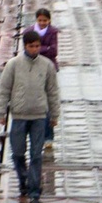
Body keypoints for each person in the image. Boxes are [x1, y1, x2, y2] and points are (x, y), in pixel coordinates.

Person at [0, 30, 60, 203]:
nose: (35, 49)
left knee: (36, 155)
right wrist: (1, 113)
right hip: (19, 115)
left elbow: (53, 92)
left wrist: (54, 115)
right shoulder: (13, 65)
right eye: (31, 46)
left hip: (39, 115)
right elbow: (4, 89)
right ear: (25, 46)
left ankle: (34, 192)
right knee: (17, 153)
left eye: (37, 46)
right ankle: (23, 179)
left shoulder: (47, 66)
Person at [24, 8, 59, 152]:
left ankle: (48, 136)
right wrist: (46, 48)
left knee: (48, 104)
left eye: (45, 20)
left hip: (48, 70)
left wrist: (39, 50)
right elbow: (26, 51)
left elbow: (54, 51)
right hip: (31, 70)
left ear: (49, 20)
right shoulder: (28, 31)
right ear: (36, 20)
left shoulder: (53, 32)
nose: (43, 23)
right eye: (40, 20)